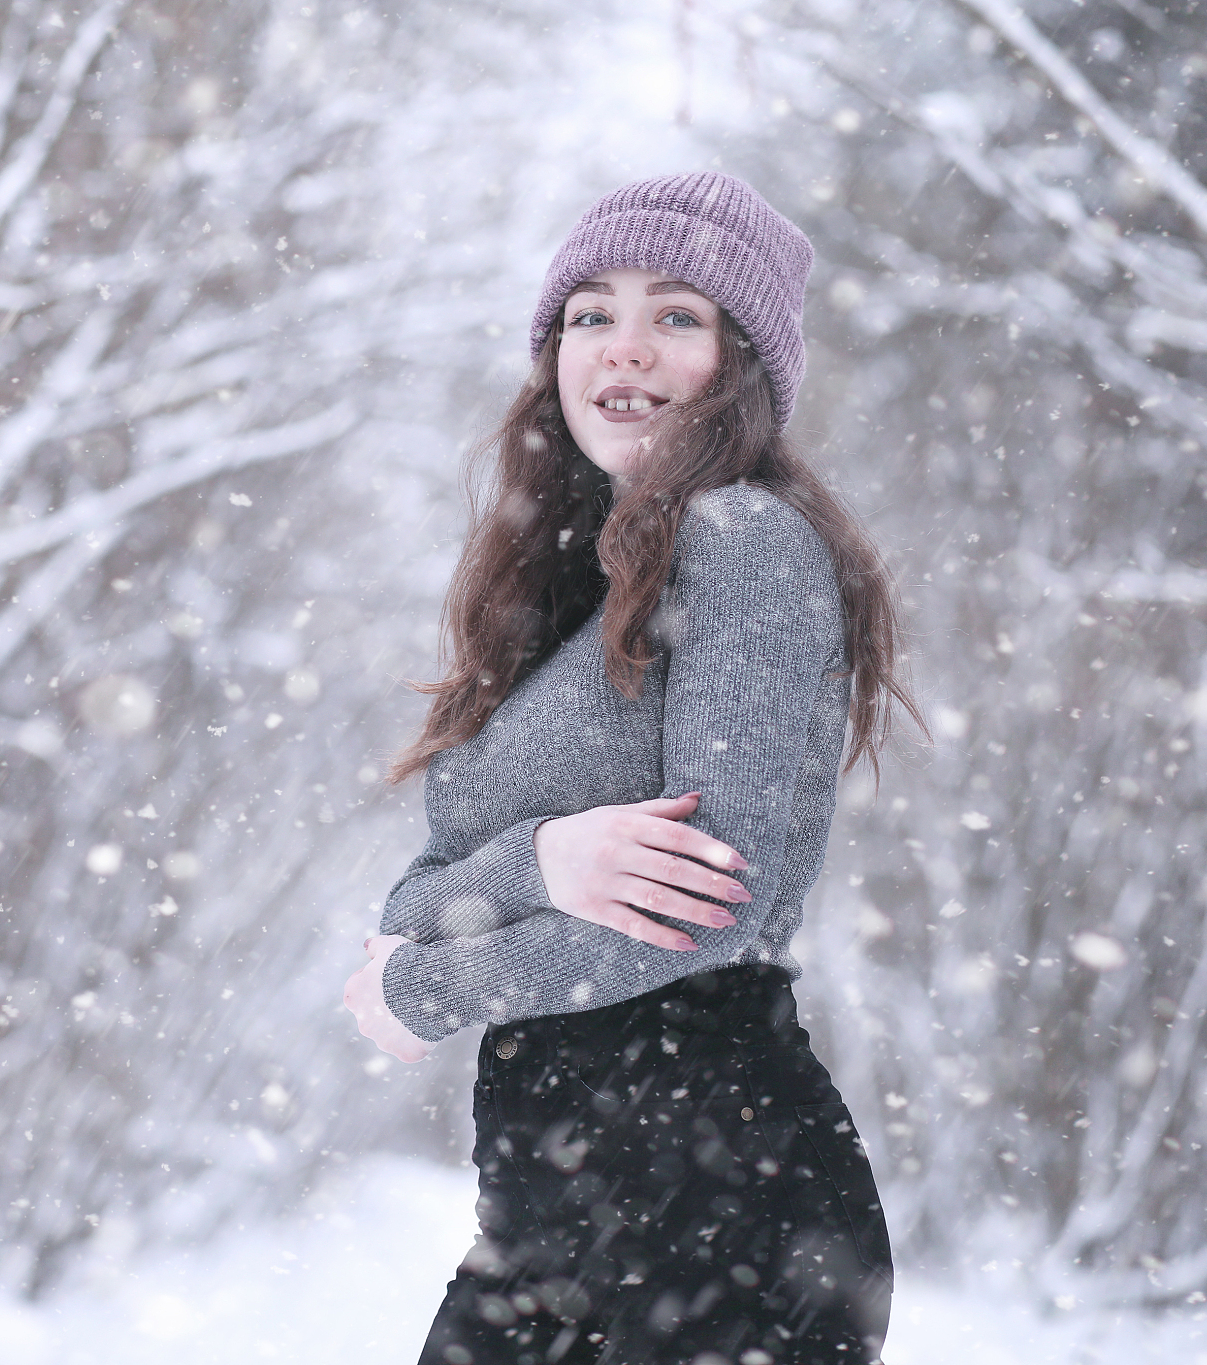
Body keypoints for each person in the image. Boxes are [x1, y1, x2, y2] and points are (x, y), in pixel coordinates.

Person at [342, 172, 917, 1365]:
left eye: (677, 316)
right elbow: (416, 897)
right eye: (590, 314)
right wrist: (547, 858)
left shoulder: (743, 543)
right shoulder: (574, 590)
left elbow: (713, 910)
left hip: (713, 1201)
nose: (625, 347)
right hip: (554, 1223)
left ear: (742, 361)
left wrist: (431, 990)